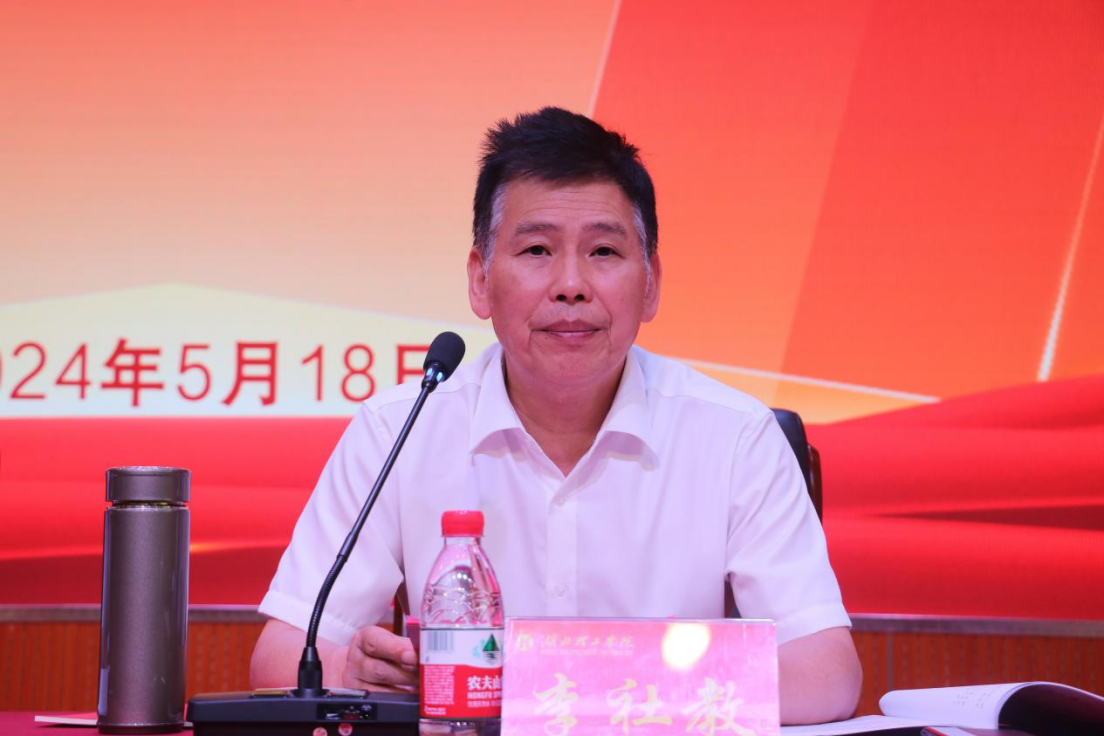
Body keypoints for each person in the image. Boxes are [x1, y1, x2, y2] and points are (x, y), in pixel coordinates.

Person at [250, 107, 862, 724]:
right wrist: (350, 677)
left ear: (651, 283)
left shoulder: (734, 437)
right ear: (480, 280)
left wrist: (564, 685)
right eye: (537, 249)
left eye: (603, 250)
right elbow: (281, 656)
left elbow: (826, 673)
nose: (571, 284)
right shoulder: (399, 431)